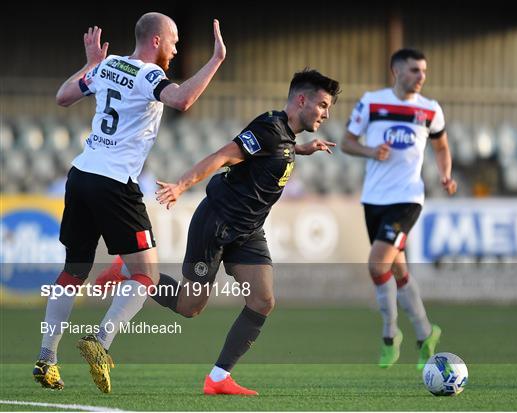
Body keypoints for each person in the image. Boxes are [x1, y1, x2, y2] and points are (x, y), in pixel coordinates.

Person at [97, 69, 341, 395]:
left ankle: (218, 378)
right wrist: (181, 185)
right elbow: (224, 155)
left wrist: (301, 149)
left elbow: (275, 149)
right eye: (323, 105)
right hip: (216, 223)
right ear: (301, 99)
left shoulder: (284, 136)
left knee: (263, 299)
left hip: (248, 231)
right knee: (189, 307)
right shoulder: (268, 126)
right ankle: (132, 269)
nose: (326, 114)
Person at [33, 13, 226, 393]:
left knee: (73, 271)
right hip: (115, 183)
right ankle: (100, 343)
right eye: (173, 41)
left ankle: (46, 358)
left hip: (81, 174)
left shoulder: (108, 66)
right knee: (146, 274)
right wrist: (216, 59)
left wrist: (90, 63)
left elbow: (63, 96)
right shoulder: (149, 75)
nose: (176, 48)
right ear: (155, 41)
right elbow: (183, 99)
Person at [341, 48, 457, 370]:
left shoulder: (430, 110)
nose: (421, 77)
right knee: (398, 270)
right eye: (414, 71)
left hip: (407, 199)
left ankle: (390, 335)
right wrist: (369, 150)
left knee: (377, 266)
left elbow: (442, 146)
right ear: (396, 71)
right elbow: (347, 141)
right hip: (374, 199)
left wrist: (446, 174)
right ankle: (425, 332)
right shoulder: (372, 102)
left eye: (423, 71)